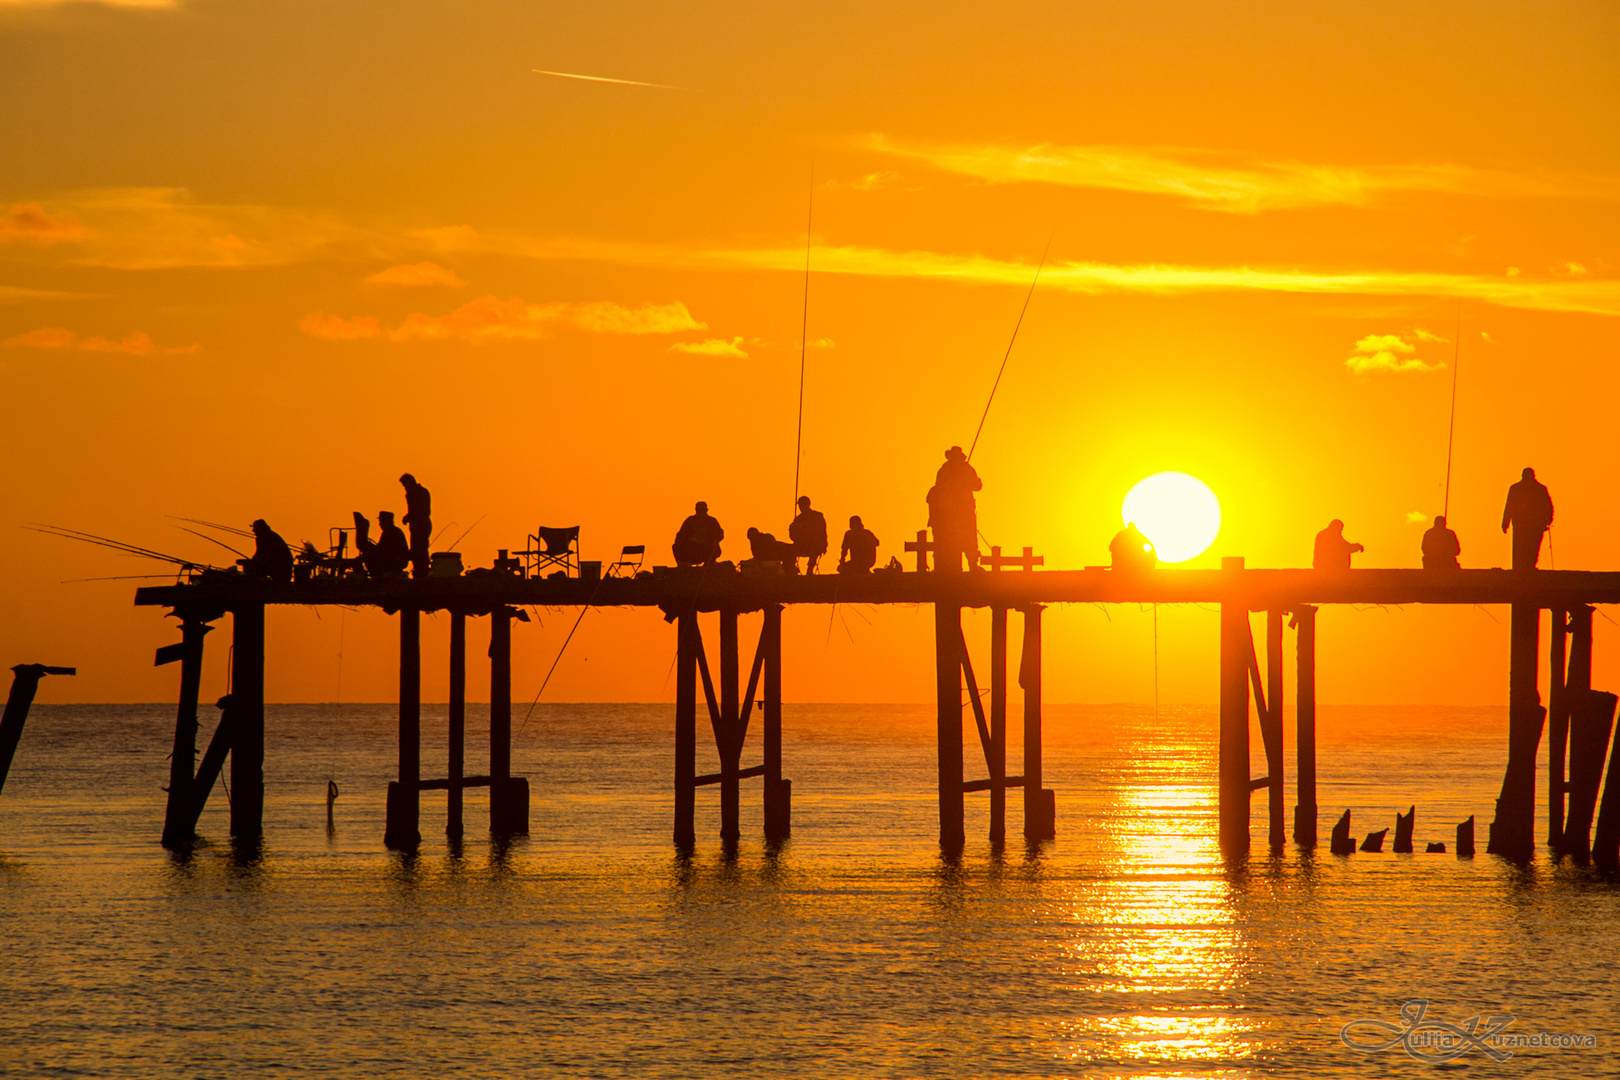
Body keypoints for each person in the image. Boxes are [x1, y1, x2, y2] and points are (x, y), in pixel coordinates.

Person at [928, 445, 982, 572]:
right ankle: (953, 567)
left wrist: (966, 482)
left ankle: (973, 565)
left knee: (970, 539)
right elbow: (939, 487)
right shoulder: (945, 470)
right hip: (949, 513)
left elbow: (978, 486)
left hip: (966, 511)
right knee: (951, 540)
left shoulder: (967, 469)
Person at [1501, 467, 1554, 570]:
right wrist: (1548, 519)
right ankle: (1527, 568)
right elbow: (1510, 506)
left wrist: (1505, 523)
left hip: (1525, 525)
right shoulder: (1539, 489)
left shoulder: (1516, 488)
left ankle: (1526, 568)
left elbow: (1509, 506)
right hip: (1531, 525)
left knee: (1525, 548)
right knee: (1531, 548)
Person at [355, 510, 410, 578]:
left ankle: (376, 577)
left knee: (368, 555)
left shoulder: (392, 532)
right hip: (393, 559)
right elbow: (381, 549)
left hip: (395, 561)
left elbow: (383, 551)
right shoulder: (390, 531)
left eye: (381, 521)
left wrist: (369, 554)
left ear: (387, 521)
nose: (379, 524)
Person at [400, 473, 432, 580]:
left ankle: (422, 572)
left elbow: (424, 511)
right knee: (416, 550)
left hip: (422, 526)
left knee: (420, 549)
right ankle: (419, 571)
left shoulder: (420, 493)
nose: (405, 488)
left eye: (405, 485)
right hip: (416, 526)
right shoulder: (413, 494)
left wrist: (410, 517)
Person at [673, 501, 724, 567]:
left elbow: (720, 533)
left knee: (712, 547)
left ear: (706, 510)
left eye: (703, 510)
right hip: (692, 550)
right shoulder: (690, 521)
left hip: (707, 549)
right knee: (676, 546)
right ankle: (683, 565)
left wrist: (717, 539)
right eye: (699, 510)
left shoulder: (712, 521)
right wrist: (679, 541)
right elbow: (681, 534)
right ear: (696, 510)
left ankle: (710, 563)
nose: (701, 512)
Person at [788, 495, 829, 573]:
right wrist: (793, 529)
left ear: (808, 504)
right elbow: (793, 537)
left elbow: (821, 532)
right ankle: (791, 570)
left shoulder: (817, 516)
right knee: (788, 550)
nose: (801, 507)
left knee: (816, 546)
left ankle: (810, 568)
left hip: (815, 545)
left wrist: (803, 528)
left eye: (802, 504)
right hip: (802, 545)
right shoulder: (798, 519)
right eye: (800, 505)